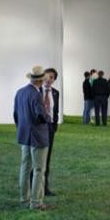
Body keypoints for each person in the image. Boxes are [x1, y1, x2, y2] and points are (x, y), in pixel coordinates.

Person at [13, 65, 53, 210]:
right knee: (38, 170)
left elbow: (16, 115)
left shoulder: (20, 92)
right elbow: (41, 115)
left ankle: (24, 199)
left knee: (25, 167)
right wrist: (48, 117)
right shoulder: (36, 95)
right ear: (41, 80)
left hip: (24, 135)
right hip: (38, 136)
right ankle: (36, 202)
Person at [42, 67, 60, 196]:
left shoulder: (55, 93)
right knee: (37, 158)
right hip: (38, 128)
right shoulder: (36, 91)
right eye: (47, 76)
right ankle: (34, 186)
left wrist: (54, 126)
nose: (49, 79)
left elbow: (55, 110)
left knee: (47, 158)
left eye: (52, 77)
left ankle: (45, 187)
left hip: (50, 128)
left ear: (54, 80)